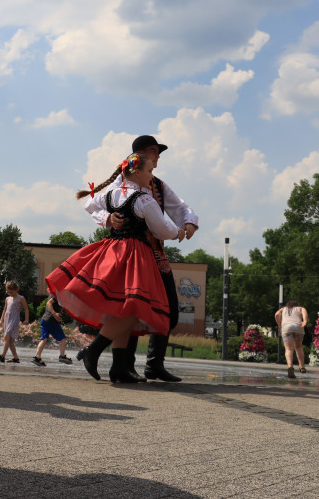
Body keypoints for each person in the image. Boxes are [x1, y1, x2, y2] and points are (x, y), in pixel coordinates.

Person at [49, 152, 184, 382]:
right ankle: (94, 351)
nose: (152, 176)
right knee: (133, 309)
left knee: (124, 308)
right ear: (137, 172)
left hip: (113, 252)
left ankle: (118, 367)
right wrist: (178, 231)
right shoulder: (144, 200)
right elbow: (161, 229)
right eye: (150, 171)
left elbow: (89, 204)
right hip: (135, 256)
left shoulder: (111, 195)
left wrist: (106, 219)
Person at [88, 135, 198, 382]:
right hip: (129, 255)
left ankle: (152, 364)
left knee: (166, 311)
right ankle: (124, 365)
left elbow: (179, 206)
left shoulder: (157, 185)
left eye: (158, 152)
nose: (157, 156)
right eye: (153, 151)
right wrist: (107, 219)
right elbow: (94, 205)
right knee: (130, 307)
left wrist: (189, 222)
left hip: (154, 254)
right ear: (139, 156)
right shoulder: (121, 182)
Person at [32, 293, 72, 366]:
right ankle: (62, 356)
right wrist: (55, 314)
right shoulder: (56, 293)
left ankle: (37, 357)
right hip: (51, 321)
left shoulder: (54, 293)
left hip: (45, 320)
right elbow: (48, 303)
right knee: (62, 338)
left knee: (44, 339)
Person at [0, 281, 29, 363]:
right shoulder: (7, 299)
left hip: (14, 319)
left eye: (11, 292)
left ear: (16, 289)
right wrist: (1, 320)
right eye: (8, 292)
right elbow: (5, 310)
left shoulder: (20, 298)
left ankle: (3, 355)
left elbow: (26, 308)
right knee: (9, 340)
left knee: (7, 337)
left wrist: (26, 319)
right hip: (7, 319)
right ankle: (16, 358)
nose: (10, 293)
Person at [274, 300, 308, 378]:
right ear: (296, 305)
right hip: (298, 327)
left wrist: (280, 325)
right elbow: (304, 313)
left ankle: (290, 366)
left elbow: (276, 314)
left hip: (286, 328)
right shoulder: (300, 308)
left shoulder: (283, 309)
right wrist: (304, 321)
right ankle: (302, 366)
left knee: (289, 349)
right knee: (299, 347)